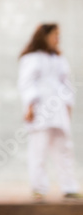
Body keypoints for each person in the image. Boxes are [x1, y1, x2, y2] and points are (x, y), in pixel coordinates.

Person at [18, 23, 82, 201]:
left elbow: (67, 83)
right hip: (40, 109)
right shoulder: (31, 58)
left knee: (64, 149)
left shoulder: (59, 59)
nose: (57, 39)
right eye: (55, 35)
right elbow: (26, 83)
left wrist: (68, 105)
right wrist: (29, 106)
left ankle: (69, 187)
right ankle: (39, 188)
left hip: (59, 109)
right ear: (44, 36)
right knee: (38, 149)